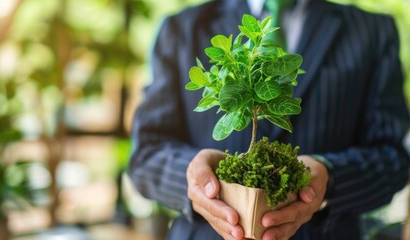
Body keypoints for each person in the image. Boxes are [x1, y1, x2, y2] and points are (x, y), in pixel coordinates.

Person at [128, 0, 410, 239]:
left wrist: (330, 176)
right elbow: (146, 153)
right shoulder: (181, 29)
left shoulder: (372, 32)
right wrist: (193, 178)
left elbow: (393, 157)